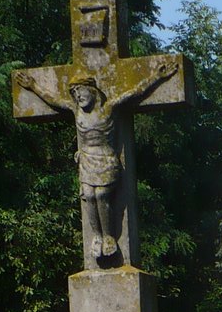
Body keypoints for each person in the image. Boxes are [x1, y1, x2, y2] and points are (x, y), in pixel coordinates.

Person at [15, 58, 177, 263]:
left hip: (106, 158)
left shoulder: (108, 108)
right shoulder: (76, 111)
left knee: (101, 194)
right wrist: (33, 86)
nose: (77, 96)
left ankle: (109, 236)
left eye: (80, 92)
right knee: (89, 196)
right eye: (74, 94)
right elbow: (52, 99)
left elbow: (135, 92)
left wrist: (156, 77)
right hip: (86, 160)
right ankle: (97, 236)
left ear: (91, 90)